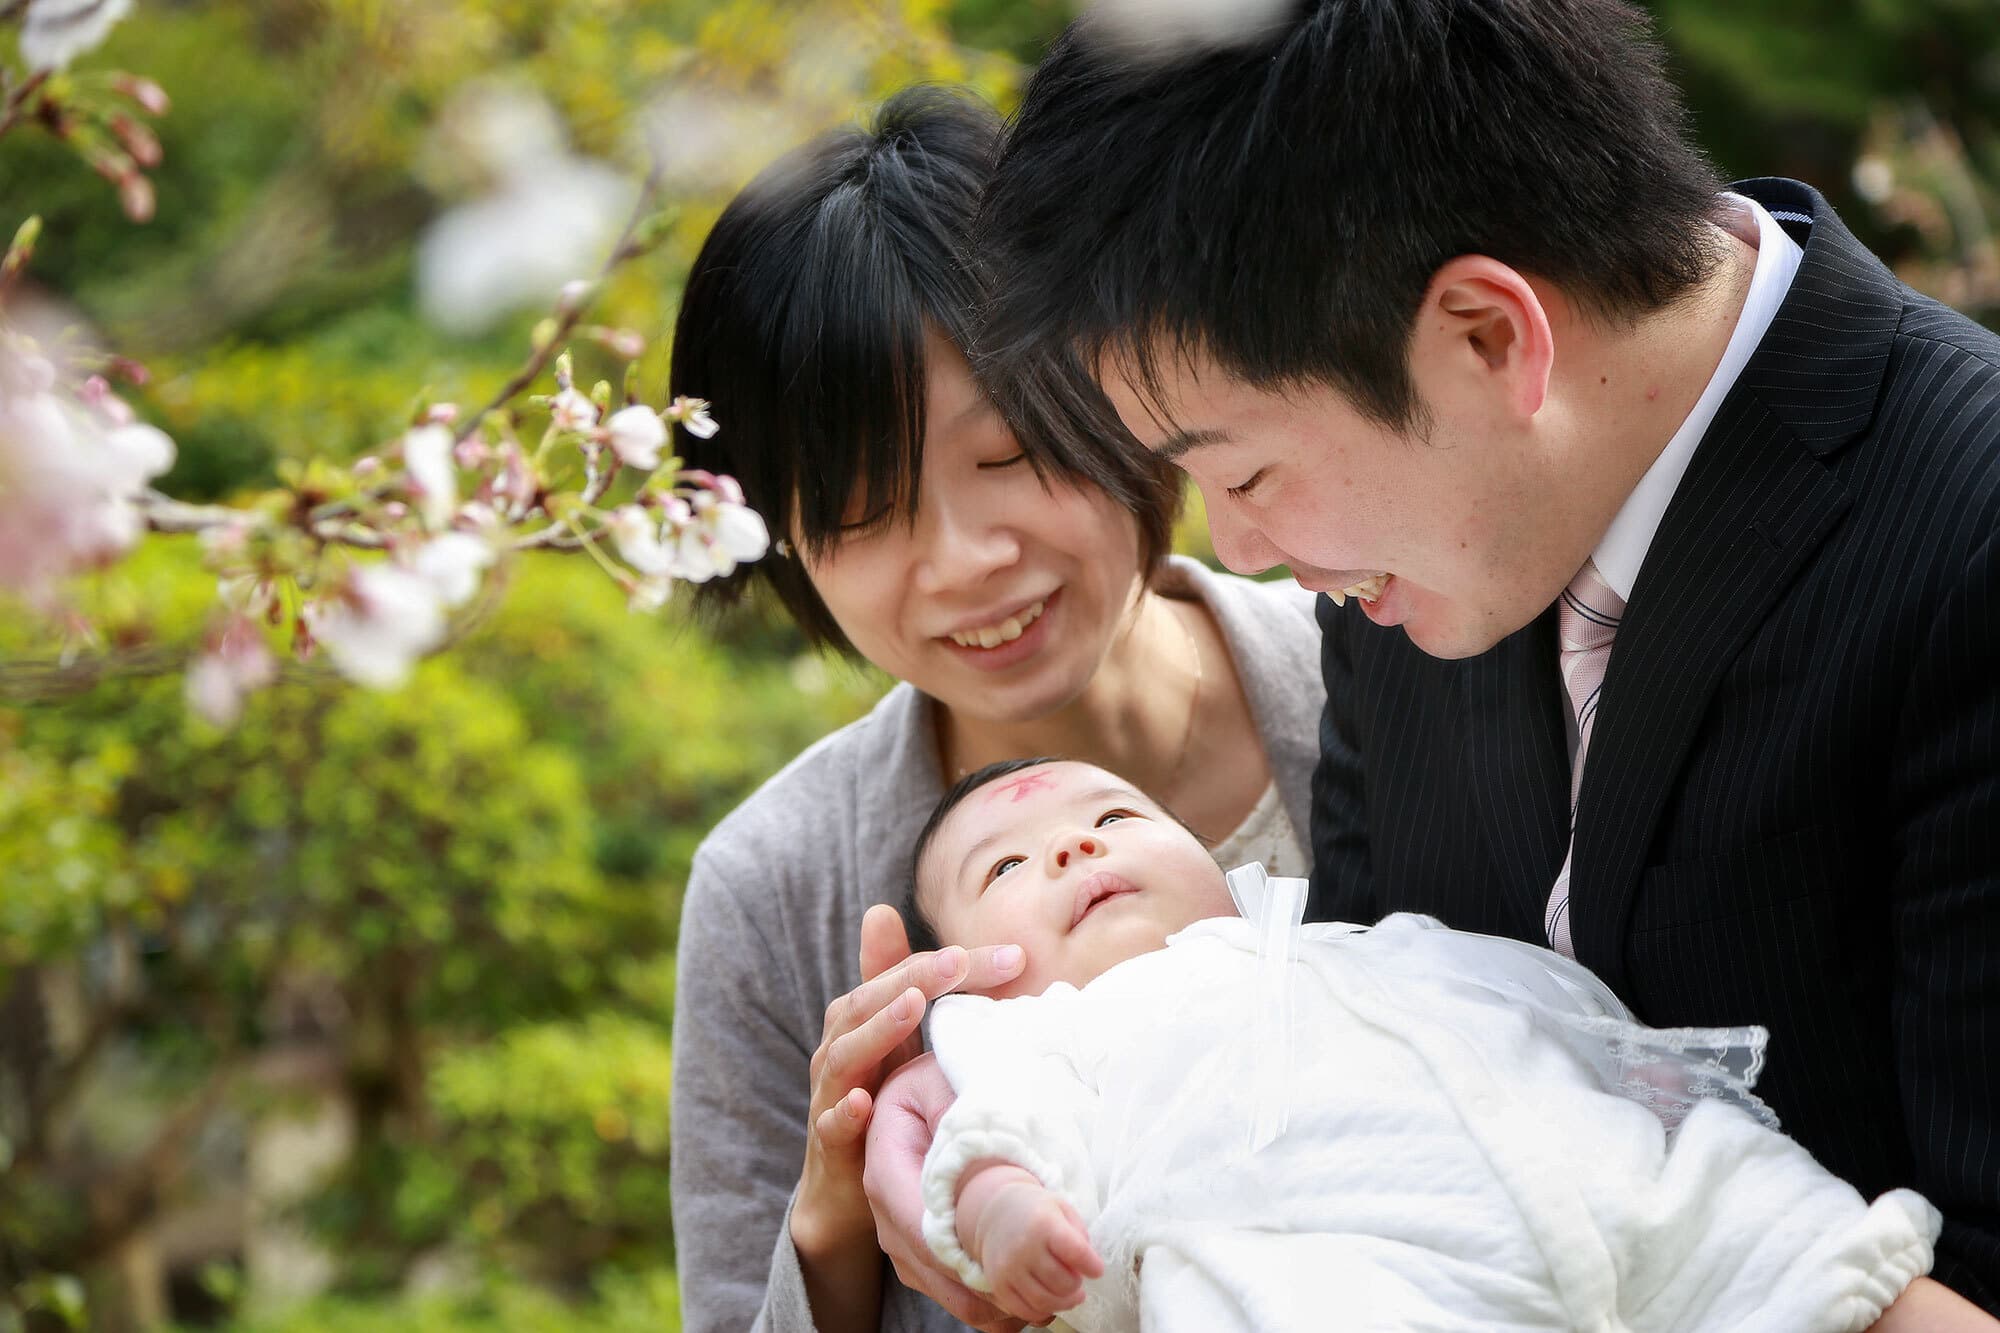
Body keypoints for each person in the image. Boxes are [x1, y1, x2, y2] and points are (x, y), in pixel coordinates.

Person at [957, 0, 2000, 1313]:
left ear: (1489, 337)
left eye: (1246, 471)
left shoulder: (1964, 536)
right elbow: (1334, 1062)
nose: (1246, 548)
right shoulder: (1412, 549)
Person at [665, 87, 1326, 1333]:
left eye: (1012, 449)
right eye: (860, 511)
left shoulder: (1388, 664)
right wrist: (834, 1228)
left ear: (1134, 378)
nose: (965, 559)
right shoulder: (774, 891)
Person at [893, 755, 1954, 1332]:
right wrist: (1002, 1212)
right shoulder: (1042, 1033)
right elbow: (991, 1136)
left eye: (1117, 815)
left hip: (1597, 1180)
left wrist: (1634, 1074)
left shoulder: (1339, 942)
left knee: (1791, 1240)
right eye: (1004, 867)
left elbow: (1526, 997)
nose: (1076, 844)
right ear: (962, 977)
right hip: (1334, 1263)